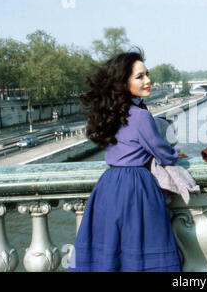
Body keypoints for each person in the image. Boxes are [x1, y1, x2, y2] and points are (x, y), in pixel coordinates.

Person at [68, 50, 183, 272]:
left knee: (110, 253)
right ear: (123, 82)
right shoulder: (141, 116)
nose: (148, 80)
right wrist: (175, 153)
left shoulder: (110, 113)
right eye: (140, 77)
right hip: (136, 187)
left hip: (107, 187)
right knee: (142, 252)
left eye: (147, 74)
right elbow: (162, 153)